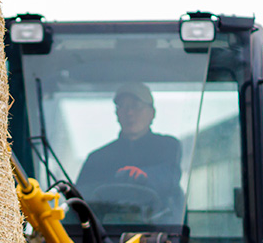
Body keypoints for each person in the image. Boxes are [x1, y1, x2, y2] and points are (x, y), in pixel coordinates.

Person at [76, 82, 183, 220]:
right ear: (117, 114)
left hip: (159, 236)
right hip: (105, 236)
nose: (130, 113)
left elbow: (169, 176)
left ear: (152, 113)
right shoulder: (97, 158)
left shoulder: (168, 146)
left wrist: (144, 176)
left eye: (136, 106)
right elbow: (78, 199)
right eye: (123, 107)